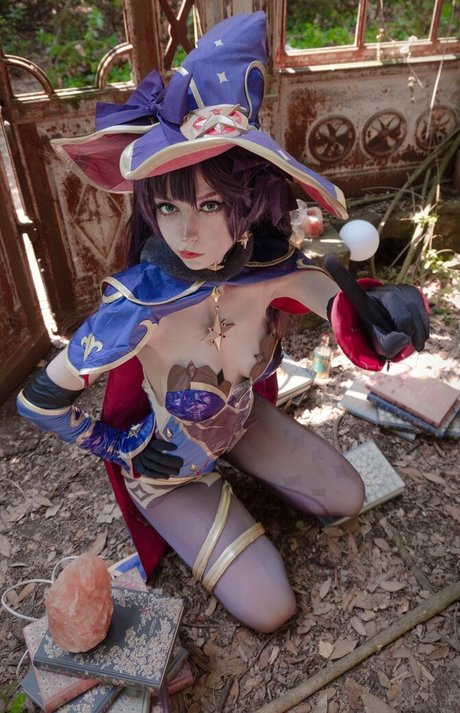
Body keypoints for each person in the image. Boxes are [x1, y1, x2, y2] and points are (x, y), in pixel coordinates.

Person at [17, 12, 429, 633]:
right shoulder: (140, 307)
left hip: (241, 422)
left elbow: (343, 308)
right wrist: (121, 446)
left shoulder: (270, 269)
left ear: (249, 203)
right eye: (168, 206)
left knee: (349, 496)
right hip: (170, 470)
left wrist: (385, 313)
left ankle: (244, 486)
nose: (187, 232)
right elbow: (36, 402)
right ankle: (185, 506)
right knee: (272, 609)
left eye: (211, 204)